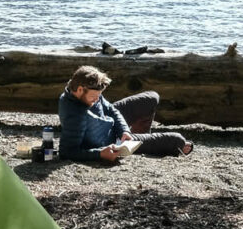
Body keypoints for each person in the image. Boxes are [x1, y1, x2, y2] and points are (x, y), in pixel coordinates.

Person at [56, 65, 193, 163]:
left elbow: (112, 110)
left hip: (111, 125)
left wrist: (124, 130)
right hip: (110, 142)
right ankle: (141, 142)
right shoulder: (74, 115)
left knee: (151, 98)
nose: (97, 99)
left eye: (99, 96)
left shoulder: (86, 92)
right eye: (94, 96)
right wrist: (99, 154)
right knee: (177, 140)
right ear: (80, 89)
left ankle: (137, 137)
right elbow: (67, 151)